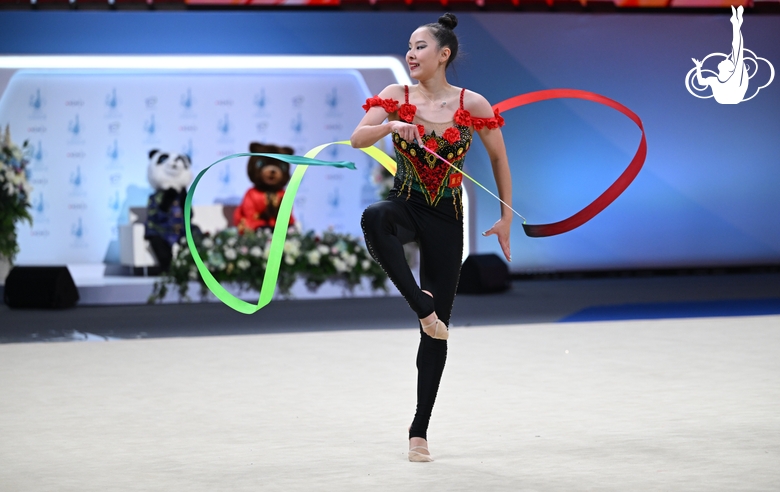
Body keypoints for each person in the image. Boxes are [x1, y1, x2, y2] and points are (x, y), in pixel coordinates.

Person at [350, 12, 513, 462]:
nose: (410, 53)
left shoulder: (473, 104)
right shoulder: (394, 96)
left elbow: (499, 159)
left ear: (444, 54)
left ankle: (418, 431)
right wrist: (389, 126)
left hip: (446, 217)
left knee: (437, 335)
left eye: (420, 46)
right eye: (409, 46)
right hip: (405, 204)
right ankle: (422, 306)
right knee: (374, 217)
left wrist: (504, 218)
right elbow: (357, 137)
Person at [692, 6, 748, 104]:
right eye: (728, 60)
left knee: (737, 51)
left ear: (729, 69)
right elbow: (701, 82)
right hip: (726, 99)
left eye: (727, 61)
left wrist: (736, 26)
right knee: (737, 52)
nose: (725, 59)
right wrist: (698, 67)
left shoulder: (735, 77)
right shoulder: (714, 80)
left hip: (733, 97)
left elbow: (737, 48)